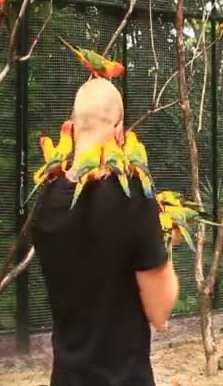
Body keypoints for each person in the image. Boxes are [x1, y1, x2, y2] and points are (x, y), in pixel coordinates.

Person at [32, 78, 179, 386]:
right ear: (119, 130)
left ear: (70, 128)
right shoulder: (133, 197)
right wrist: (168, 243)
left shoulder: (45, 202)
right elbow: (160, 310)